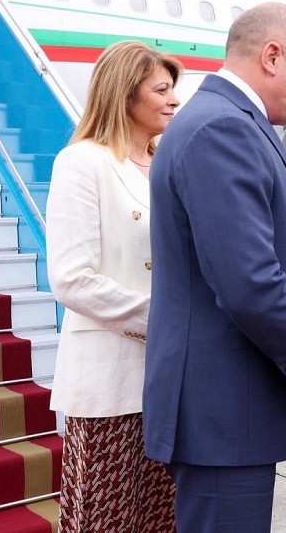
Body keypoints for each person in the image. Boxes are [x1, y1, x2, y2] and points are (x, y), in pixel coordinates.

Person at [143, 3, 286, 532]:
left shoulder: (228, 123)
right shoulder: (223, 129)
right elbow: (249, 284)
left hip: (228, 414)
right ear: (271, 56)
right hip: (224, 417)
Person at [46, 40, 182, 532]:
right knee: (108, 518)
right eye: (162, 89)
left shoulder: (169, 164)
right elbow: (71, 278)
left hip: (170, 376)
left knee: (163, 515)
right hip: (109, 380)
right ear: (124, 94)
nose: (174, 100)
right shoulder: (82, 162)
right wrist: (168, 323)